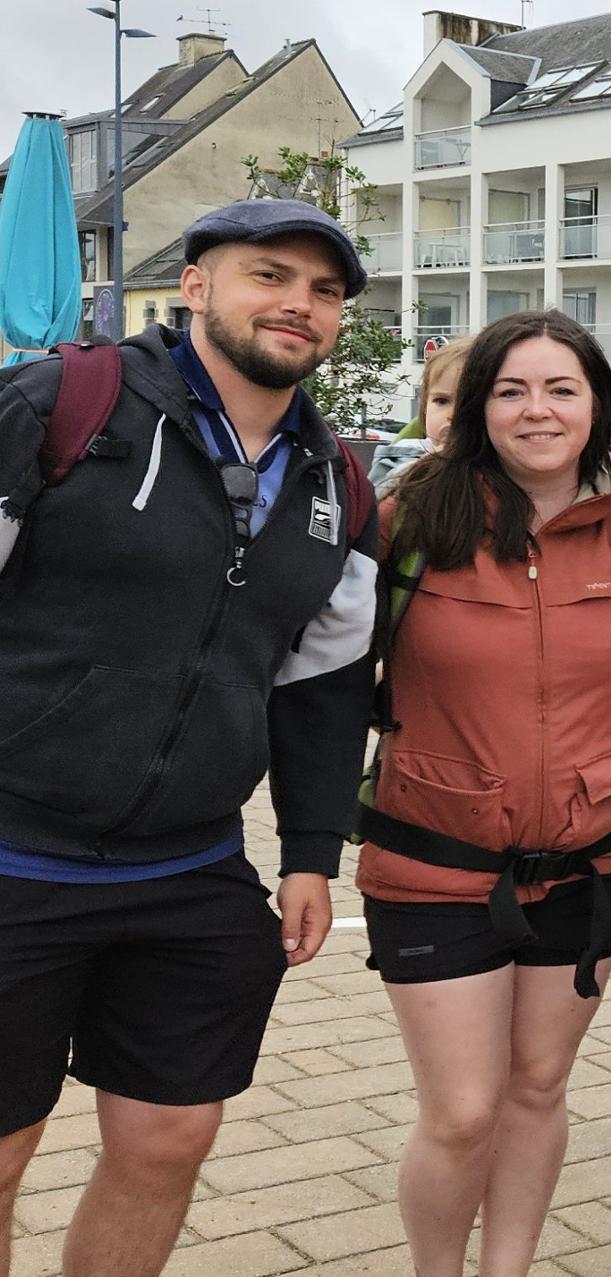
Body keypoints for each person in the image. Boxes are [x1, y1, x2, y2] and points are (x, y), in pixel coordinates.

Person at [0, 198, 377, 1277]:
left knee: (171, 1137)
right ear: (197, 286)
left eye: (324, 290)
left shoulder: (336, 482)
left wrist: (310, 850)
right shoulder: (65, 404)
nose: (298, 304)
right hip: (13, 855)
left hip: (191, 868)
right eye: (270, 275)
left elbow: (325, 685)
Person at [354, 309, 611, 1277]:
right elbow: (325, 677)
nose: (535, 409)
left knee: (537, 1086)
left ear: (596, 405)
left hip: (587, 865)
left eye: (561, 388)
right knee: (462, 1110)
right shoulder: (409, 521)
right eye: (510, 389)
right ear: (478, 410)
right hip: (431, 862)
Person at [368, 335, 469, 494]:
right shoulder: (403, 455)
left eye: (467, 404)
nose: (452, 414)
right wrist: (427, 466)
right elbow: (374, 502)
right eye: (441, 401)